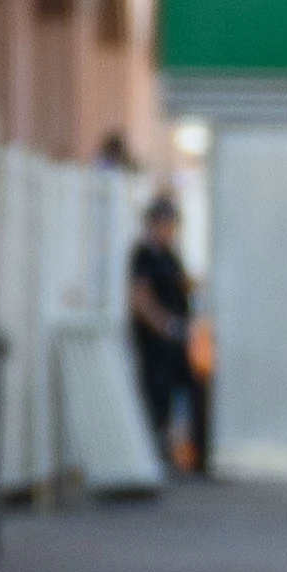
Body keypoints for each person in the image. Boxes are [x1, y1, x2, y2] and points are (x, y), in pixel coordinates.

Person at [129, 192, 205, 478]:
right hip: (156, 341)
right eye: (166, 225)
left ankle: (178, 451)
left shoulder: (170, 255)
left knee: (182, 392)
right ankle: (153, 453)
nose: (170, 231)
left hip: (175, 340)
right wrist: (164, 325)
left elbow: (180, 284)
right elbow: (141, 298)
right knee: (156, 395)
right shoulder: (144, 256)